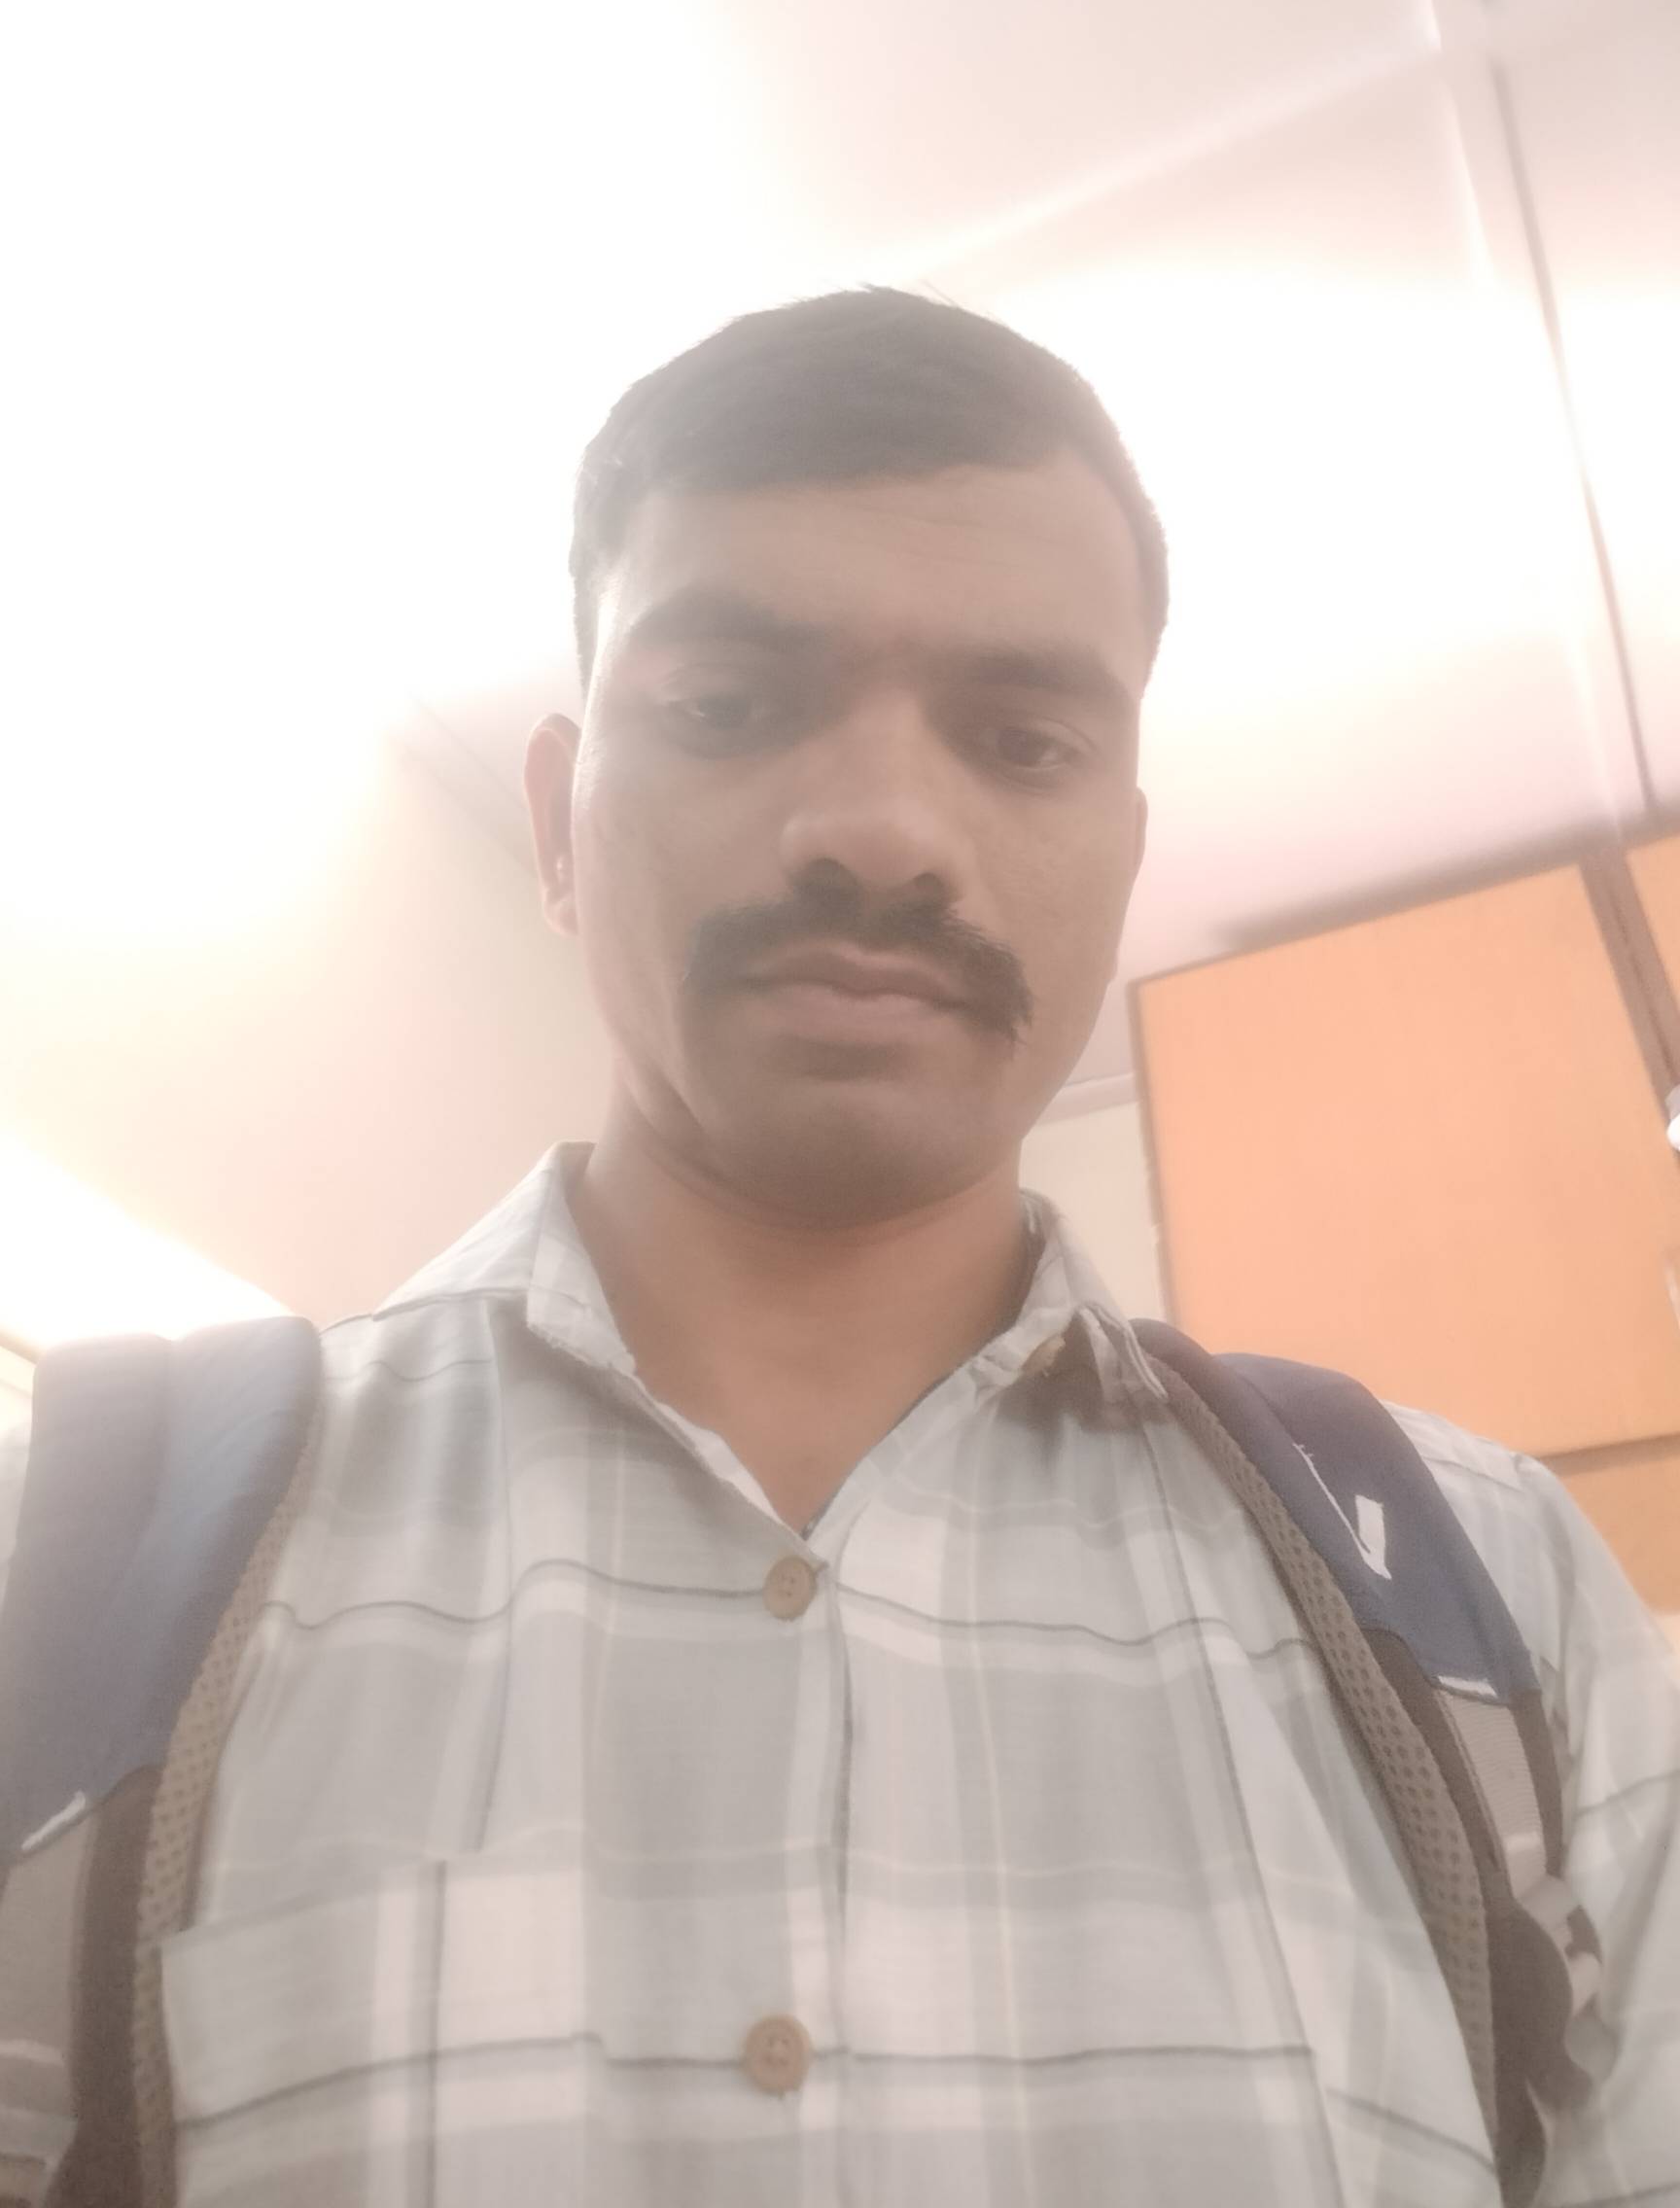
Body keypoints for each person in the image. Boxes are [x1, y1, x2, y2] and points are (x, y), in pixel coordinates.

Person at [7, 289, 1680, 2206]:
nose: (883, 831)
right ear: (555, 826)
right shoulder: (64, 1571)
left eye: (1021, 739)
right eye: (728, 707)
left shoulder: (1502, 1608)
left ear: (1123, 861)